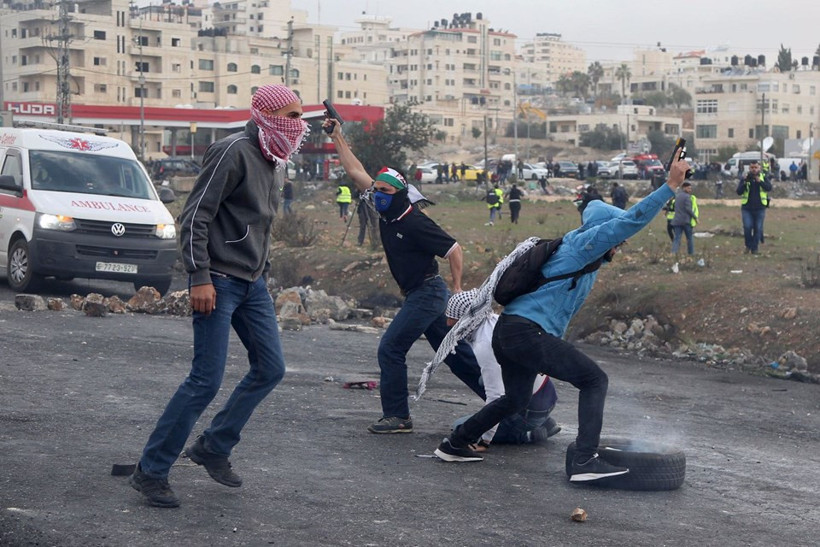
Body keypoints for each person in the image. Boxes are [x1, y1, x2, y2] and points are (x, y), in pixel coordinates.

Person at [432, 152, 690, 481]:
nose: (618, 247)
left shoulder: (581, 257)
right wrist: (670, 186)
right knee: (595, 380)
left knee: (515, 398)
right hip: (525, 333)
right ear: (605, 232)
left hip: (510, 333)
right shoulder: (585, 243)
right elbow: (631, 221)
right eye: (618, 242)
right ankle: (584, 460)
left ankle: (457, 442)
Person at [129, 84, 304, 508]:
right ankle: (150, 470)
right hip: (219, 281)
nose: (298, 125)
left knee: (271, 368)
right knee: (205, 380)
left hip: (253, 283)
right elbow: (195, 215)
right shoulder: (233, 151)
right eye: (292, 115)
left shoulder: (274, 157)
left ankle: (213, 446)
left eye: (301, 116)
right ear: (267, 114)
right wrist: (199, 276)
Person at [324, 116, 485, 434]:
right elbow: (357, 172)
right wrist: (337, 137)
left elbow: (454, 249)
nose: (377, 194)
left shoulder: (415, 222)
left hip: (429, 293)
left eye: (384, 190)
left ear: (399, 194)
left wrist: (456, 290)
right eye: (377, 189)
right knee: (453, 353)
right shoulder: (384, 207)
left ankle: (398, 416)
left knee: (391, 347)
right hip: (421, 293)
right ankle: (506, 400)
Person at [444, 290, 560, 449]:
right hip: (545, 396)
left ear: (468, 318)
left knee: (460, 426)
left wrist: (483, 439)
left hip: (529, 409)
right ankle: (543, 421)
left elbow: (496, 395)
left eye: (454, 318)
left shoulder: (485, 344)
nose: (448, 323)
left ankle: (526, 433)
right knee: (482, 379)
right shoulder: (496, 321)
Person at [736, 159, 772, 254]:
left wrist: (760, 182)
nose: (754, 169)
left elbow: (769, 188)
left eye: (756, 167)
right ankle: (748, 245)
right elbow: (739, 192)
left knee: (758, 228)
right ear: (749, 168)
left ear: (759, 167)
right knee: (747, 227)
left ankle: (754, 248)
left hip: (760, 208)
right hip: (747, 208)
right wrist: (744, 182)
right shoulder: (745, 178)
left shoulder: (763, 177)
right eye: (752, 167)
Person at [671, 181, 697, 255]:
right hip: (685, 221)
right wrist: (695, 217)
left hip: (677, 220)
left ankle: (673, 252)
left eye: (690, 188)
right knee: (689, 238)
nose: (690, 190)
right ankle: (691, 253)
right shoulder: (687, 197)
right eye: (689, 188)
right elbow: (688, 209)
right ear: (684, 188)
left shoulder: (677, 196)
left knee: (677, 238)